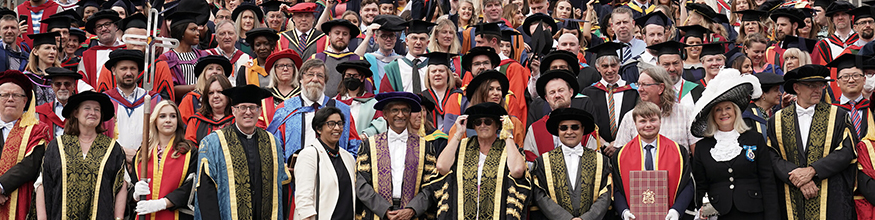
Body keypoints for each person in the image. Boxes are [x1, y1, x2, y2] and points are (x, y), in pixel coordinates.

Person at [767, 64, 857, 220]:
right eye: (811, 86)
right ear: (796, 88)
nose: (818, 90)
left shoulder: (838, 115)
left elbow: (847, 151)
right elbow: (772, 155)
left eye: (820, 85)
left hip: (830, 196)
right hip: (792, 194)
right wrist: (798, 178)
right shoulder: (777, 119)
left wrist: (813, 171)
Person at [689, 69, 778, 219]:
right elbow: (701, 185)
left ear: (736, 111)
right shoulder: (703, 147)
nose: (724, 113)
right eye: (718, 110)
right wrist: (704, 208)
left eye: (728, 108)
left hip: (754, 212)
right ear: (713, 116)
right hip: (719, 213)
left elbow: (767, 180)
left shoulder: (754, 139)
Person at [194, 84, 290, 220]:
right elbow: (206, 191)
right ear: (233, 111)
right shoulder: (213, 143)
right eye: (242, 108)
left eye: (253, 108)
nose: (248, 112)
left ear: (260, 111)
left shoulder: (272, 143)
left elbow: (281, 186)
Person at [428, 102, 529, 220]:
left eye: (488, 121)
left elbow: (517, 171)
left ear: (497, 125)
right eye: (477, 122)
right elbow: (441, 167)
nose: (482, 125)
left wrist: (507, 135)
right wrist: (458, 133)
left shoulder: (509, 148)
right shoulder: (462, 146)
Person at [38, 91, 126, 220]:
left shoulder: (113, 148)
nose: (92, 112)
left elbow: (121, 185)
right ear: (76, 113)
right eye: (87, 108)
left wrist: (118, 218)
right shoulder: (57, 146)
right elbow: (43, 184)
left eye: (97, 109)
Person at [355, 92, 438, 219]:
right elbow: (361, 184)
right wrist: (384, 209)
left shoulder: (425, 147)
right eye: (395, 110)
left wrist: (412, 209)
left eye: (405, 110)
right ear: (385, 115)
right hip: (378, 213)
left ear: (410, 114)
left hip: (413, 214)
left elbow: (431, 185)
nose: (400, 115)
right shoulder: (369, 145)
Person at [267, 59, 361, 163]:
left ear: (325, 81)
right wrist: (286, 170)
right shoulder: (285, 109)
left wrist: (345, 167)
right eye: (310, 74)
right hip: (296, 175)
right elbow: (275, 147)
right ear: (301, 79)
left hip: (334, 175)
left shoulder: (342, 110)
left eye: (320, 75)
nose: (315, 79)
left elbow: (354, 146)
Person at [613, 101, 693, 220]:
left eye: (653, 120)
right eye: (643, 121)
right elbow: (617, 188)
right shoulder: (620, 155)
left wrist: (677, 210)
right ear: (635, 123)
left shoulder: (678, 151)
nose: (648, 125)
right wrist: (624, 211)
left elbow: (687, 184)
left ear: (660, 121)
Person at [529, 107, 611, 219]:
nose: (569, 132)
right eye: (563, 128)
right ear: (558, 131)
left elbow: (605, 194)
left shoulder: (600, 160)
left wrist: (586, 218)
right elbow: (540, 196)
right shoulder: (543, 161)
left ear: (583, 129)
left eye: (575, 127)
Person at [129, 100, 197, 219]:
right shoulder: (143, 153)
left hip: (176, 215)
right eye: (162, 116)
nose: (168, 120)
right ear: (155, 121)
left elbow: (190, 187)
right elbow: (130, 187)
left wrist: (162, 203)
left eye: (173, 116)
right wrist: (135, 194)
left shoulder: (189, 151)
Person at [0, 70, 51, 220]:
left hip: (19, 198)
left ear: (25, 101)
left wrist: (1, 187)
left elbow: (30, 165)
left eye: (16, 95)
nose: (10, 99)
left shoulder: (37, 129)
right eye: (4, 95)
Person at [292, 106, 356, 220]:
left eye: (340, 123)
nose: (337, 128)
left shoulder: (348, 157)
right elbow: (303, 199)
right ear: (319, 129)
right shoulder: (309, 155)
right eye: (331, 124)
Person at [614, 66, 699, 151]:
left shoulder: (685, 113)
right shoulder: (630, 117)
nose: (639, 89)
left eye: (645, 85)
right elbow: (621, 153)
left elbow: (696, 151)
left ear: (661, 88)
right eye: (639, 84)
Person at [93, 13, 175, 101]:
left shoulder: (160, 66)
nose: (138, 42)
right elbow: (102, 99)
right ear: (123, 39)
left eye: (142, 39)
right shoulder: (110, 67)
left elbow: (167, 98)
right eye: (133, 38)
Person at [524, 69, 597, 161]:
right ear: (547, 98)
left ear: (571, 92)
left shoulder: (585, 125)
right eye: (552, 92)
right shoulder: (534, 130)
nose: (557, 95)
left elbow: (594, 160)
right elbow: (530, 162)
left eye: (561, 90)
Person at [103, 49, 162, 162]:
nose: (129, 73)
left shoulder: (153, 100)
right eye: (123, 68)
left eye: (133, 68)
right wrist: (121, 152)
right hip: (112, 162)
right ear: (114, 70)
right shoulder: (104, 101)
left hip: (146, 161)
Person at [443, 70, 525, 147]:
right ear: (480, 93)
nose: (496, 93)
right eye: (490, 89)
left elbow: (520, 156)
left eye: (498, 89)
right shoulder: (463, 124)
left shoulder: (513, 123)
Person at [583, 42, 639, 154]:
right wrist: (604, 144)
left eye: (613, 65)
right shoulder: (589, 93)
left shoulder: (633, 91)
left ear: (619, 65)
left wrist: (618, 143)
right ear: (597, 67)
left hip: (628, 148)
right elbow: (586, 123)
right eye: (605, 66)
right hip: (598, 148)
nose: (610, 70)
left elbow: (637, 121)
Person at [157, 11, 208, 100]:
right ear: (181, 32)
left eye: (197, 29)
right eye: (193, 29)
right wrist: (198, 87)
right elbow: (169, 88)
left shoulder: (203, 55)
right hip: (179, 107)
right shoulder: (166, 59)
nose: (198, 33)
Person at [379, 20, 435, 94]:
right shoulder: (393, 68)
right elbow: (386, 96)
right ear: (407, 41)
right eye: (414, 38)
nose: (418, 42)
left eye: (422, 39)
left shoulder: (434, 66)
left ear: (427, 43)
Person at [312, 19, 362, 97]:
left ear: (349, 37)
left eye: (345, 34)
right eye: (337, 33)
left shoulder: (358, 61)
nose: (340, 37)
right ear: (329, 34)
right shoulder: (315, 59)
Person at [649, 41, 704, 107]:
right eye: (666, 64)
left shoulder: (697, 91)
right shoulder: (651, 92)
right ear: (657, 65)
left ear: (682, 63)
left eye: (675, 63)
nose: (672, 69)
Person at [334, 60, 381, 137]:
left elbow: (379, 124)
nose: (351, 78)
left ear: (362, 78)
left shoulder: (373, 103)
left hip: (363, 144)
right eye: (348, 75)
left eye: (355, 76)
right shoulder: (334, 102)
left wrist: (365, 135)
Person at [179, 55, 233, 122]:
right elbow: (182, 124)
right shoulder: (190, 98)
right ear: (203, 74)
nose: (215, 72)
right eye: (210, 68)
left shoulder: (231, 97)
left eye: (219, 69)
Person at [828, 54, 870, 139]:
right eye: (845, 76)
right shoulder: (830, 111)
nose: (851, 80)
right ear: (837, 83)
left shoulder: (872, 109)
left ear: (864, 80)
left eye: (856, 75)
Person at [358, 15, 405, 90]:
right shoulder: (369, 58)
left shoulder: (402, 60)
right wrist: (368, 37)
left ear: (395, 39)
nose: (388, 39)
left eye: (391, 36)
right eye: (384, 36)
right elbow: (354, 59)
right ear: (376, 39)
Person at [78, 9, 123, 87]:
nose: (103, 28)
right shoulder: (88, 55)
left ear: (115, 26)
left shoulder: (126, 49)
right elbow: (81, 80)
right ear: (95, 31)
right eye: (99, 26)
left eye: (107, 24)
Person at [419, 52, 460, 133]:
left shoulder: (458, 96)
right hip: (429, 140)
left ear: (448, 74)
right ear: (428, 75)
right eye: (433, 71)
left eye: (441, 71)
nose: (437, 74)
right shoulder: (422, 97)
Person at [185, 76, 234, 144]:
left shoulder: (238, 119)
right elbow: (190, 147)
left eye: (219, 92)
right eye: (211, 93)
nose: (215, 96)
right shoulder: (196, 121)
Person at [35, 67, 81, 137]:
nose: (62, 88)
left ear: (74, 86)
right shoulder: (40, 112)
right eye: (58, 84)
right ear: (52, 86)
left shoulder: (80, 111)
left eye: (67, 84)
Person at [263, 49, 303, 124]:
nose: (285, 69)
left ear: (294, 70)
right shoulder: (265, 95)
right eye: (281, 66)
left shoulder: (303, 94)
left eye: (289, 65)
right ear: (274, 70)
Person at [811, 1, 857, 66]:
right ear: (832, 20)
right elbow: (825, 69)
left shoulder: (860, 40)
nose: (840, 17)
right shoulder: (825, 44)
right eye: (836, 15)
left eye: (844, 14)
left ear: (850, 17)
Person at [743, 72, 783, 141]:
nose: (780, 93)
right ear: (762, 93)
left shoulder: (773, 113)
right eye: (776, 90)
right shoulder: (747, 117)